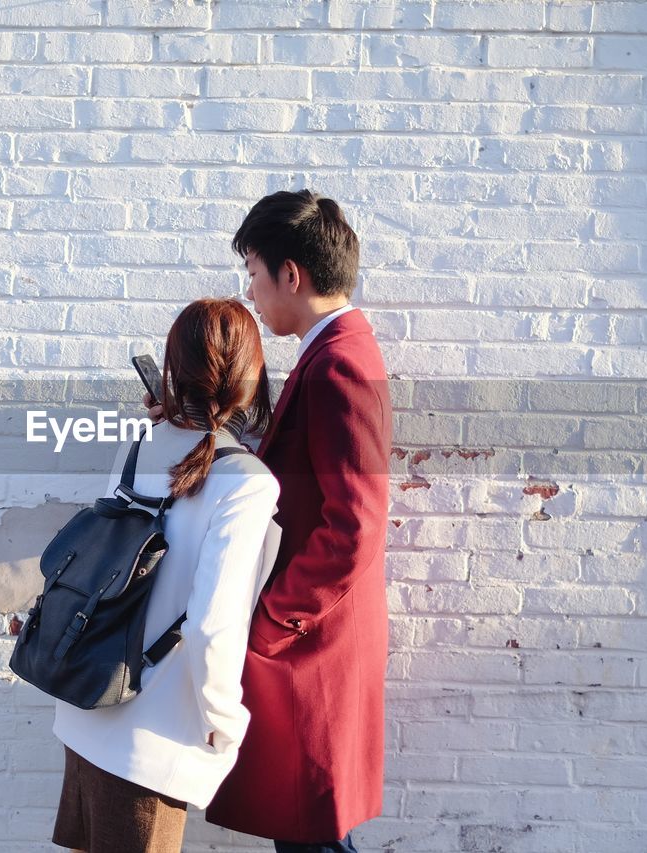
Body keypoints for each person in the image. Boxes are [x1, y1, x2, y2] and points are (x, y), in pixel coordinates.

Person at [51, 298, 283, 853]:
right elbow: (211, 627)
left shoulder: (136, 447)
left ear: (174, 367)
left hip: (86, 705)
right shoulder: (247, 482)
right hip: (148, 739)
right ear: (250, 377)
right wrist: (225, 722)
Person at [202, 190, 392, 852]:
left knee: (312, 839)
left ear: (292, 273)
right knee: (309, 837)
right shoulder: (332, 349)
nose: (249, 290)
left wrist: (272, 621)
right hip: (314, 642)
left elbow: (357, 526)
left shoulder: (339, 361)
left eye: (253, 269)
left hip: (312, 645)